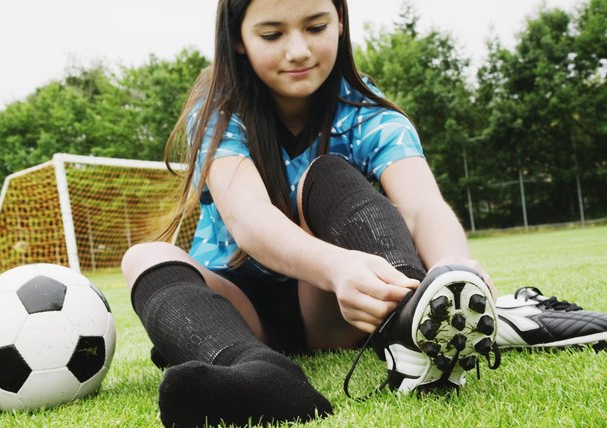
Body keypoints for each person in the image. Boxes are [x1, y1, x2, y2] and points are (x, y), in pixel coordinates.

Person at [119, 0, 603, 426]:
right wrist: (336, 265)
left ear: (341, 22)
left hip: (339, 305)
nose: (298, 50)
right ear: (238, 40)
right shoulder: (221, 109)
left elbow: (420, 204)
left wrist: (452, 271)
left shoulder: (363, 109)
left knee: (324, 174)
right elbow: (250, 222)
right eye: (272, 34)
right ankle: (264, 376)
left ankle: (414, 321)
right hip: (244, 307)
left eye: (315, 27)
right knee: (142, 257)